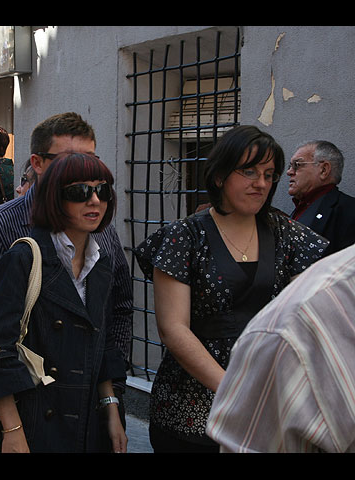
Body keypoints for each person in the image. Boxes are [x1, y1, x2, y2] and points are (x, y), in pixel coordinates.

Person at [133, 125, 329, 453]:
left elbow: (305, 316)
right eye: (249, 171)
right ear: (221, 175)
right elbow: (173, 330)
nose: (262, 183)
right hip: (193, 408)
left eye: (269, 174)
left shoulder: (288, 234)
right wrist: (236, 391)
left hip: (269, 401)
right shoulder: (184, 237)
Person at [0, 112, 133, 453]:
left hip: (86, 410)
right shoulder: (4, 235)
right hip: (28, 414)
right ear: (42, 169)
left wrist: (111, 402)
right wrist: (11, 427)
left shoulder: (101, 246)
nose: (93, 199)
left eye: (101, 188)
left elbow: (114, 320)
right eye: (79, 187)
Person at [207, 242, 355, 453]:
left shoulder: (293, 237)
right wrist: (233, 387)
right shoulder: (291, 329)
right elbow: (172, 328)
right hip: (235, 378)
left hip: (262, 378)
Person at [287, 140, 355, 256]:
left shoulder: (348, 210)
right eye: (290, 166)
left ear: (324, 170)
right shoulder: (300, 208)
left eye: (297, 165)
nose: (289, 172)